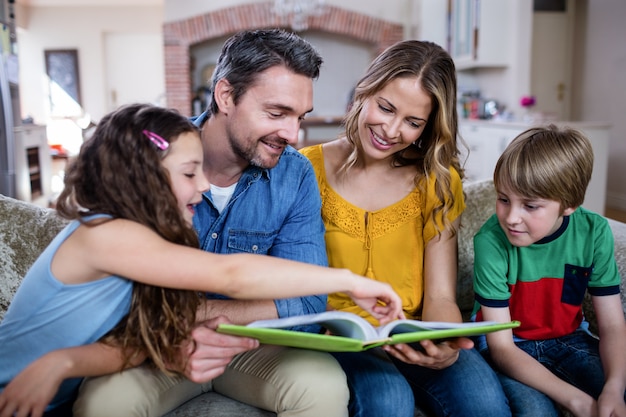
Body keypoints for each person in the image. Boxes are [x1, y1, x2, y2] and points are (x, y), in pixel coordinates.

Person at [0, 102, 403, 417]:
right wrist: (348, 281)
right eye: (189, 173)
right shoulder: (107, 236)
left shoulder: (145, 246)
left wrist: (61, 361)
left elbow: (130, 344)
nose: (204, 185)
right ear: (145, 176)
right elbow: (231, 273)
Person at [71, 29, 356, 417]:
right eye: (276, 113)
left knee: (324, 387)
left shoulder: (297, 175)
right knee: (103, 404)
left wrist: (196, 316)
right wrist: (180, 327)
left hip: (252, 348)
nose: (293, 134)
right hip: (155, 347)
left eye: (299, 116)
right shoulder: (152, 157)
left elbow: (306, 301)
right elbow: (114, 299)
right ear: (226, 96)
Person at [300, 39, 511, 417]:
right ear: (365, 91)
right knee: (390, 401)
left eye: (413, 122)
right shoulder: (305, 170)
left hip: (411, 332)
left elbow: (443, 296)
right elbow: (297, 279)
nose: (391, 130)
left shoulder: (437, 182)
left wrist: (444, 346)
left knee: (486, 405)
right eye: (385, 107)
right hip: (340, 338)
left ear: (429, 126)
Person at [473, 125, 626, 417]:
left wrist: (614, 387)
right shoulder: (490, 241)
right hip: (510, 347)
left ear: (569, 204)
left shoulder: (593, 232)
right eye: (503, 199)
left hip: (570, 340)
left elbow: (613, 326)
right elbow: (502, 348)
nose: (511, 218)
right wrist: (577, 400)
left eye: (530, 205)